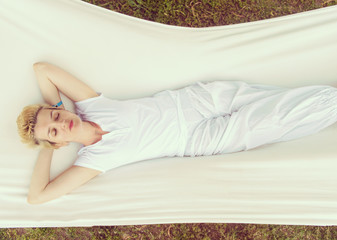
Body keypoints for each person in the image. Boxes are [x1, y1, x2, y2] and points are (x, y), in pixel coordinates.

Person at [17, 62, 337, 205]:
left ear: (63, 108)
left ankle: (329, 98)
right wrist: (46, 144)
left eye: (58, 115)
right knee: (271, 119)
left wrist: (53, 106)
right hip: (196, 141)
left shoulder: (91, 105)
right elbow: (37, 197)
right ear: (58, 143)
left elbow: (42, 69)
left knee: (266, 97)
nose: (62, 122)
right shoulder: (92, 161)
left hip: (194, 100)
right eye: (56, 131)